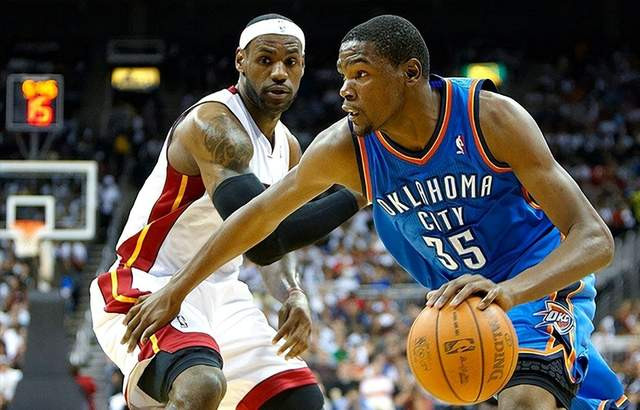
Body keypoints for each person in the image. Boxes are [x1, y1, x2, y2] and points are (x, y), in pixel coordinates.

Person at [121, 14, 629, 410]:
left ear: (410, 73)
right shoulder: (346, 146)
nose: (345, 89)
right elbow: (258, 220)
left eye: (361, 74)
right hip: (466, 298)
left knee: (526, 400)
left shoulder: (488, 117)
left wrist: (511, 292)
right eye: (344, 75)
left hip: (534, 283)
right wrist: (177, 289)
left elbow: (595, 239)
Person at [91, 14, 366, 410]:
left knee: (300, 400)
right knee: (201, 385)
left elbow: (271, 236)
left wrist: (292, 292)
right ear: (241, 61)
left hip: (222, 293)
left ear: (303, 68)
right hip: (151, 283)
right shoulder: (214, 124)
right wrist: (361, 191)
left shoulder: (288, 146)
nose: (279, 72)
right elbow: (265, 242)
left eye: (290, 62)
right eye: (265, 60)